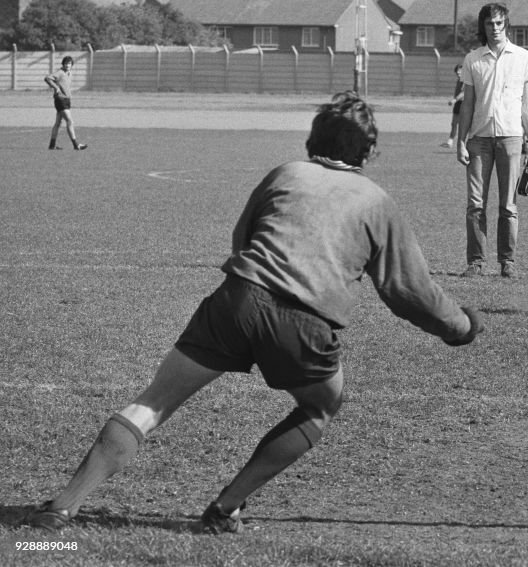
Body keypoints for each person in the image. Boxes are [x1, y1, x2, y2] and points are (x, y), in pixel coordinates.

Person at [25, 93, 484, 534]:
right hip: (304, 322)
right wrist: (459, 327)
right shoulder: (376, 201)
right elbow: (409, 291)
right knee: (321, 405)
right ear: (368, 151)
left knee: (151, 404)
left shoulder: (285, 174)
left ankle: (59, 512)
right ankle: (225, 508)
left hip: (236, 298)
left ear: (313, 141)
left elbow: (242, 239)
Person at [456, 3, 528, 280]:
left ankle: (507, 262)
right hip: (478, 140)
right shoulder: (473, 60)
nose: (495, 28)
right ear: (484, 27)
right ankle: (476, 262)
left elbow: (527, 104)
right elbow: (467, 104)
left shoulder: (524, 58)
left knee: (509, 205)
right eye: (490, 23)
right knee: (475, 204)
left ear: (507, 25)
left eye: (500, 23)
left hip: (512, 139)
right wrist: (460, 141)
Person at [43, 56, 87, 151]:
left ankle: (52, 145)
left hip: (66, 100)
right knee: (70, 121)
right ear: (63, 64)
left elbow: (64, 85)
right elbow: (47, 78)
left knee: (58, 123)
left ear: (72, 65)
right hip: (60, 100)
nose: (68, 65)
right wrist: (56, 87)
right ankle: (76, 145)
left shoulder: (69, 73)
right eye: (66, 63)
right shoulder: (60, 72)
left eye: (69, 64)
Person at [441, 64, 465, 148]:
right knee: (454, 123)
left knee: (464, 125)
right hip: (457, 104)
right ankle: (450, 142)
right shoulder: (459, 80)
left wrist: (454, 99)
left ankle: (463, 145)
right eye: (457, 72)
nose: (458, 73)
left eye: (459, 72)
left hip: (464, 104)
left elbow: (463, 92)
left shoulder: (466, 80)